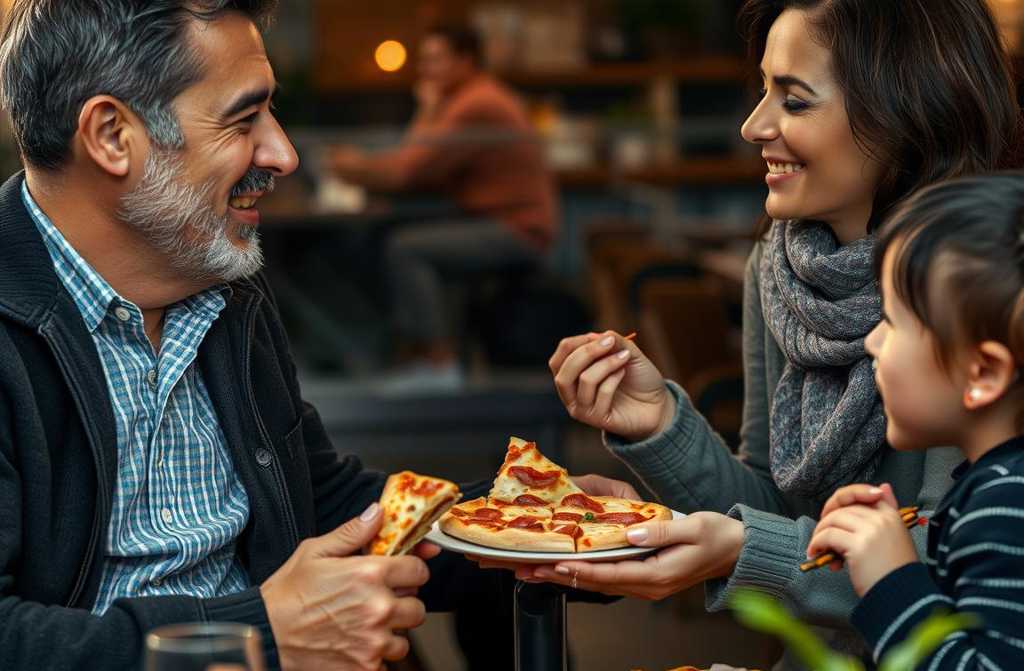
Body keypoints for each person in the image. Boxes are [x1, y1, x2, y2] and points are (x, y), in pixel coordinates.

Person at [0, 2, 632, 669]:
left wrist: (535, 523)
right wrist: (266, 632)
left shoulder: (221, 287)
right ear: (111, 136)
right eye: (245, 119)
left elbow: (325, 505)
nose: (284, 154)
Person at [524, 0, 1021, 666]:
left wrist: (743, 549)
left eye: (794, 101)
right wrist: (659, 422)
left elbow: (958, 569)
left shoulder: (990, 285)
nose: (753, 125)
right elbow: (773, 505)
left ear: (903, 113)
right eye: (763, 91)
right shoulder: (780, 268)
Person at [806, 174, 1024, 668]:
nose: (872, 343)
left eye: (892, 321)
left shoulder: (1005, 508)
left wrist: (892, 581)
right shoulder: (994, 487)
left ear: (983, 372)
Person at [330, 24, 558, 383]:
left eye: (435, 59)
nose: (425, 69)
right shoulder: (471, 97)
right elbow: (416, 164)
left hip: (518, 229)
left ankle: (437, 364)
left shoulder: (475, 103)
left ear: (466, 61)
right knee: (391, 236)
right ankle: (412, 357)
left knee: (405, 249)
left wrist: (350, 166)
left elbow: (408, 170)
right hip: (499, 220)